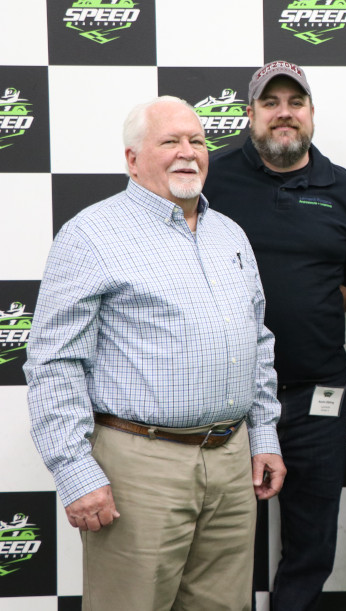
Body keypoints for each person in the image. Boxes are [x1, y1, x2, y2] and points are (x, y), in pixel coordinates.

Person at [24, 96, 284, 611]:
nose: (188, 152)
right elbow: (54, 363)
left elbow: (257, 341)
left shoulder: (228, 234)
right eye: (170, 141)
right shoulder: (92, 234)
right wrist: (75, 470)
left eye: (198, 141)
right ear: (133, 158)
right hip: (138, 465)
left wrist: (265, 435)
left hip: (231, 463)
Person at [203, 60, 346, 610]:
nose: (284, 113)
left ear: (311, 114)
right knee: (222, 547)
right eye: (270, 103)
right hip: (224, 398)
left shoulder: (345, 190)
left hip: (316, 396)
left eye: (294, 102)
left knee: (311, 542)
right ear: (249, 114)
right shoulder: (212, 180)